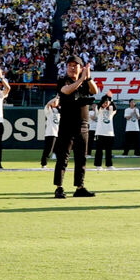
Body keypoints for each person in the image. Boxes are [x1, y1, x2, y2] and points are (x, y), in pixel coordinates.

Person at [52, 55, 97, 198]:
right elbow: (66, 90)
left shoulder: (85, 82)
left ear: (81, 67)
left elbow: (95, 91)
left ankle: (80, 187)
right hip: (67, 124)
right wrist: (81, 79)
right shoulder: (63, 80)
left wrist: (88, 78)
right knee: (63, 157)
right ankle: (59, 187)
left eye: (75, 65)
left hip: (83, 124)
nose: (72, 68)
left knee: (81, 157)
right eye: (70, 65)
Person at [92, 94, 116, 170]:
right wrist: (103, 103)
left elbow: (115, 108)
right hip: (100, 132)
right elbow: (99, 106)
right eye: (105, 102)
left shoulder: (111, 109)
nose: (106, 103)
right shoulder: (99, 109)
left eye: (108, 102)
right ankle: (98, 165)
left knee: (109, 151)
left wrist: (111, 100)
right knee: (99, 150)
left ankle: (109, 165)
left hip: (109, 133)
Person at [40, 96, 60, 169]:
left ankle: (60, 164)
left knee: (60, 150)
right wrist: (56, 98)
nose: (55, 102)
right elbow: (48, 104)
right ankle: (44, 164)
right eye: (54, 101)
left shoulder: (59, 111)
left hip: (58, 133)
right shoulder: (49, 110)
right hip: (50, 132)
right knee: (48, 150)